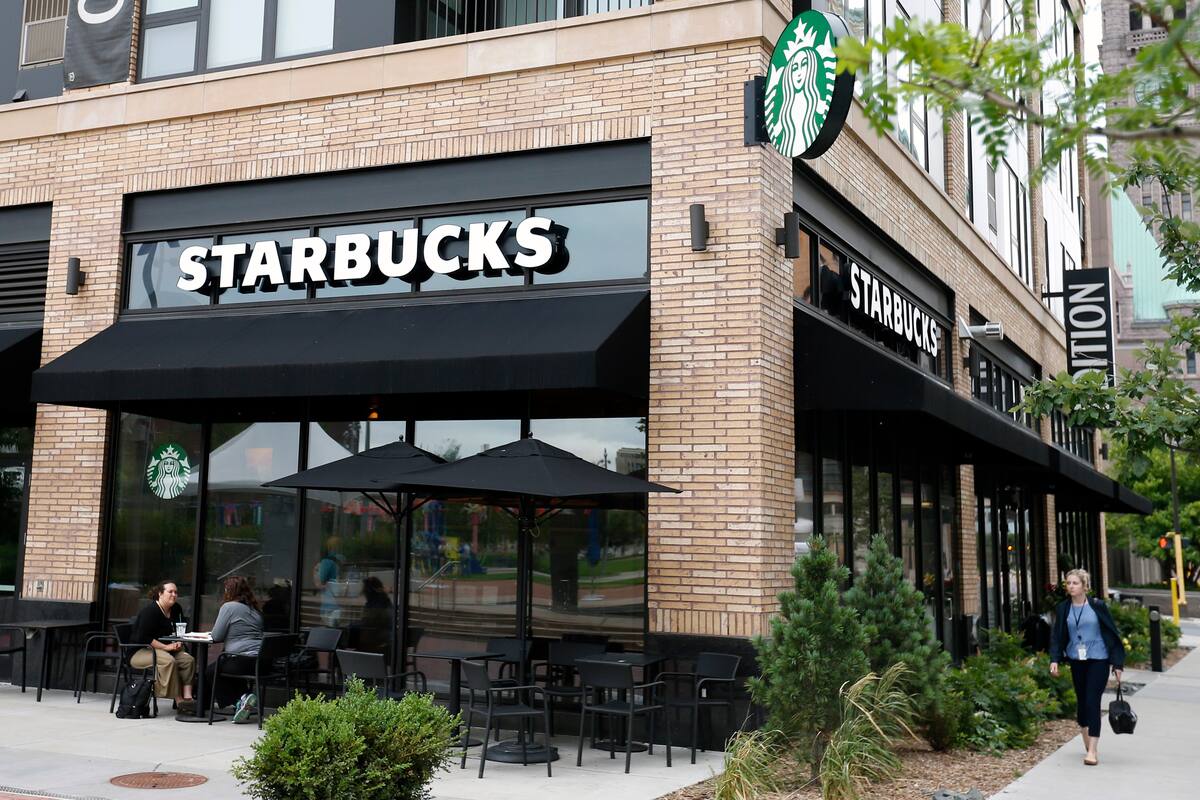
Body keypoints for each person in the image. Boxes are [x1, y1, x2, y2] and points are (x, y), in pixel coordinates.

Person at [1049, 568, 1125, 766]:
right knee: (1082, 703)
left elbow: (1112, 634)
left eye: (1075, 583)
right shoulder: (1063, 608)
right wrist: (1054, 659)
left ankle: (1092, 750)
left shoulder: (1097, 606)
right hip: (1076, 659)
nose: (1071, 586)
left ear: (1085, 586)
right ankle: (1088, 742)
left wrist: (1117, 664)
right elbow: (1057, 636)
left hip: (1098, 659)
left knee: (1092, 701)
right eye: (1068, 583)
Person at [130, 581, 196, 709]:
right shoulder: (150, 611)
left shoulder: (177, 609)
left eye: (176, 592)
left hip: (166, 649)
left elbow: (178, 630)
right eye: (170, 591)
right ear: (160, 594)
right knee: (169, 661)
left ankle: (188, 698)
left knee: (188, 660)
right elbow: (145, 637)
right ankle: (179, 699)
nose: (174, 594)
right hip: (140, 651)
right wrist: (166, 647)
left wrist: (177, 643)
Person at [207, 575, 264, 724]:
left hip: (241, 660)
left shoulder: (229, 607)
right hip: (261, 661)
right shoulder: (255, 610)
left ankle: (239, 700)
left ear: (229, 591)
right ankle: (244, 697)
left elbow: (217, 635)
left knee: (211, 671)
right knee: (224, 666)